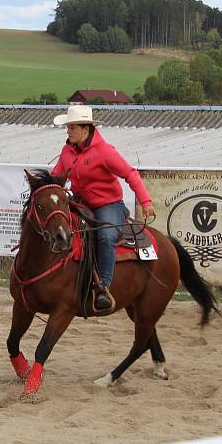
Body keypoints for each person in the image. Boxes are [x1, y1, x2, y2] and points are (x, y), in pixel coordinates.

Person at [50, 105, 156, 312]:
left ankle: (103, 287)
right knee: (58, 227)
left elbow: (130, 174)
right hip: (80, 203)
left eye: (72, 127)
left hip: (108, 205)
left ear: (86, 129)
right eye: (68, 127)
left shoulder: (105, 152)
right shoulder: (67, 152)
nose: (68, 131)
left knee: (106, 236)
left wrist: (146, 202)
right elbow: (57, 178)